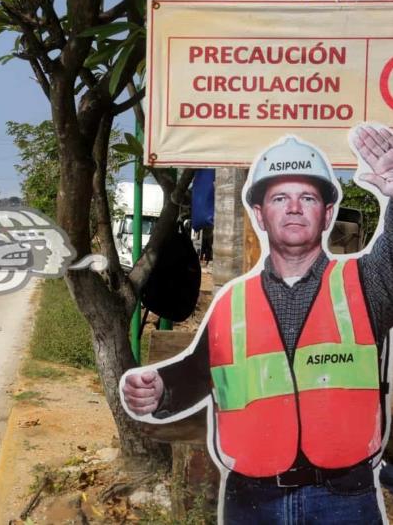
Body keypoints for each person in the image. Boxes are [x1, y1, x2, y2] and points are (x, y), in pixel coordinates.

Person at [121, 126, 393, 524]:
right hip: (252, 500)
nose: (294, 207)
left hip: (344, 498)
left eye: (308, 197)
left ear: (328, 213)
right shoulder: (232, 302)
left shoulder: (368, 285)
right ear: (261, 215)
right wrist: (161, 389)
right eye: (280, 198)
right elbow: (201, 373)